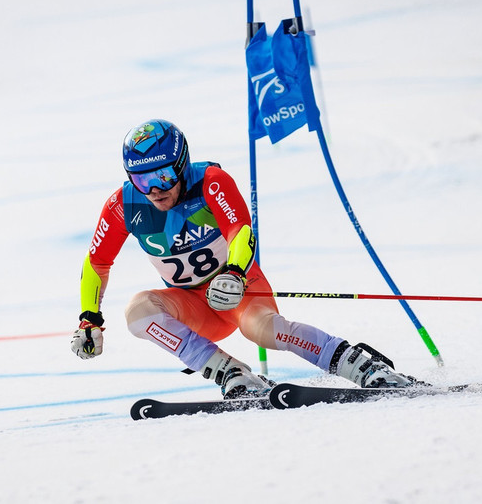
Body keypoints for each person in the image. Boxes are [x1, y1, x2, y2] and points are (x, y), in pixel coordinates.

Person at [71, 119, 418, 399]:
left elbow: (241, 232)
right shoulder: (124, 205)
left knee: (261, 330)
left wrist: (234, 273)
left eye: (162, 175)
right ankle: (231, 373)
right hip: (194, 305)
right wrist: (90, 318)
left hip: (239, 289)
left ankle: (363, 366)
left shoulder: (210, 182)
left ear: (181, 164)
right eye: (141, 179)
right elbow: (96, 263)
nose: (154, 189)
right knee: (138, 311)